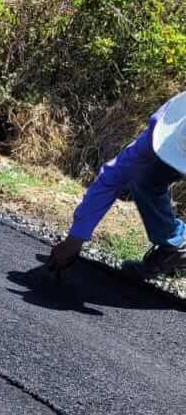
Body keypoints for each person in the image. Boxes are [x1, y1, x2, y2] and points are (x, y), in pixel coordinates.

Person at [46, 94, 186, 281]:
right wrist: (75, 238)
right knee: (145, 176)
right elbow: (112, 177)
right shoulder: (165, 131)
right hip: (174, 148)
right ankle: (175, 246)